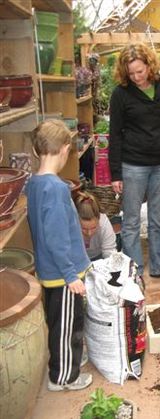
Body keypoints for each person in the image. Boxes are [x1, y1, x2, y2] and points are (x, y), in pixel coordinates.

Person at [25, 120, 93, 391]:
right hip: (63, 274)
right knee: (66, 326)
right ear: (65, 149)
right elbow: (56, 237)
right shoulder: (55, 189)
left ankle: (69, 358)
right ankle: (63, 376)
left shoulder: (35, 183)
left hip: (51, 269)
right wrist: (70, 275)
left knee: (61, 322)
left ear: (35, 150)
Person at [108, 42, 160, 281]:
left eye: (140, 71)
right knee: (130, 221)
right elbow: (115, 134)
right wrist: (116, 174)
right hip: (133, 165)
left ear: (149, 66)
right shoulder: (121, 94)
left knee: (157, 217)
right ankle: (135, 270)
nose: (137, 77)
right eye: (131, 73)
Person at [75, 191, 116, 260]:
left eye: (93, 228)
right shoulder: (69, 224)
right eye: (84, 229)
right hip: (76, 260)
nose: (89, 233)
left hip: (99, 258)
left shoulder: (104, 223)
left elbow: (109, 251)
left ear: (99, 219)